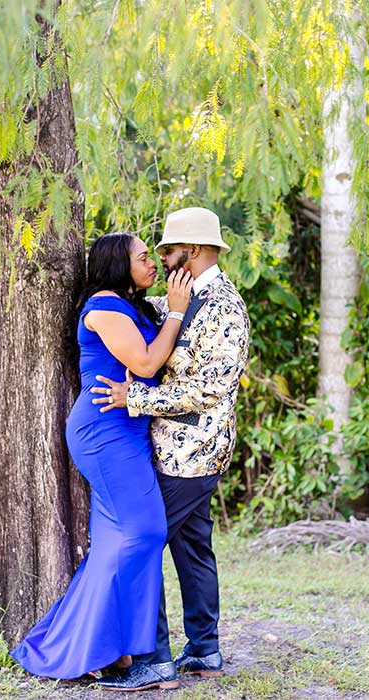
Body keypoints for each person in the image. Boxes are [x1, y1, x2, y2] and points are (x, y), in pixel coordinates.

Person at [10, 232, 193, 685]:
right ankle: (124, 650)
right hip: (103, 432)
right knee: (147, 531)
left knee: (115, 543)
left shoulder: (129, 306)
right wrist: (175, 311)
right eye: (143, 258)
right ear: (118, 264)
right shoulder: (105, 307)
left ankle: (102, 649)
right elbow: (147, 364)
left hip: (129, 432)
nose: (152, 264)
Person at [91, 207, 251, 691]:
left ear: (196, 252)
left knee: (143, 544)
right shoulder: (188, 296)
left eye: (169, 249)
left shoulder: (224, 307)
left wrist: (134, 397)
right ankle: (204, 650)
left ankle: (155, 660)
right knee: (192, 546)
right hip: (177, 447)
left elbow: (208, 390)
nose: (161, 257)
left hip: (193, 452)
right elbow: (151, 318)